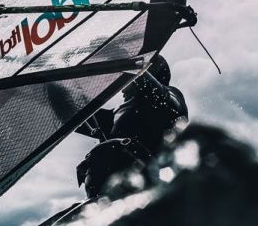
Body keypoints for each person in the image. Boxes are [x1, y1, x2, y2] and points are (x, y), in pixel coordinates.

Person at [75, 53, 187, 199]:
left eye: (125, 82)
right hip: (107, 195)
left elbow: (153, 88)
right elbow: (70, 111)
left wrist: (122, 57)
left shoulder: (170, 99)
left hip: (148, 190)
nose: (121, 89)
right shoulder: (115, 118)